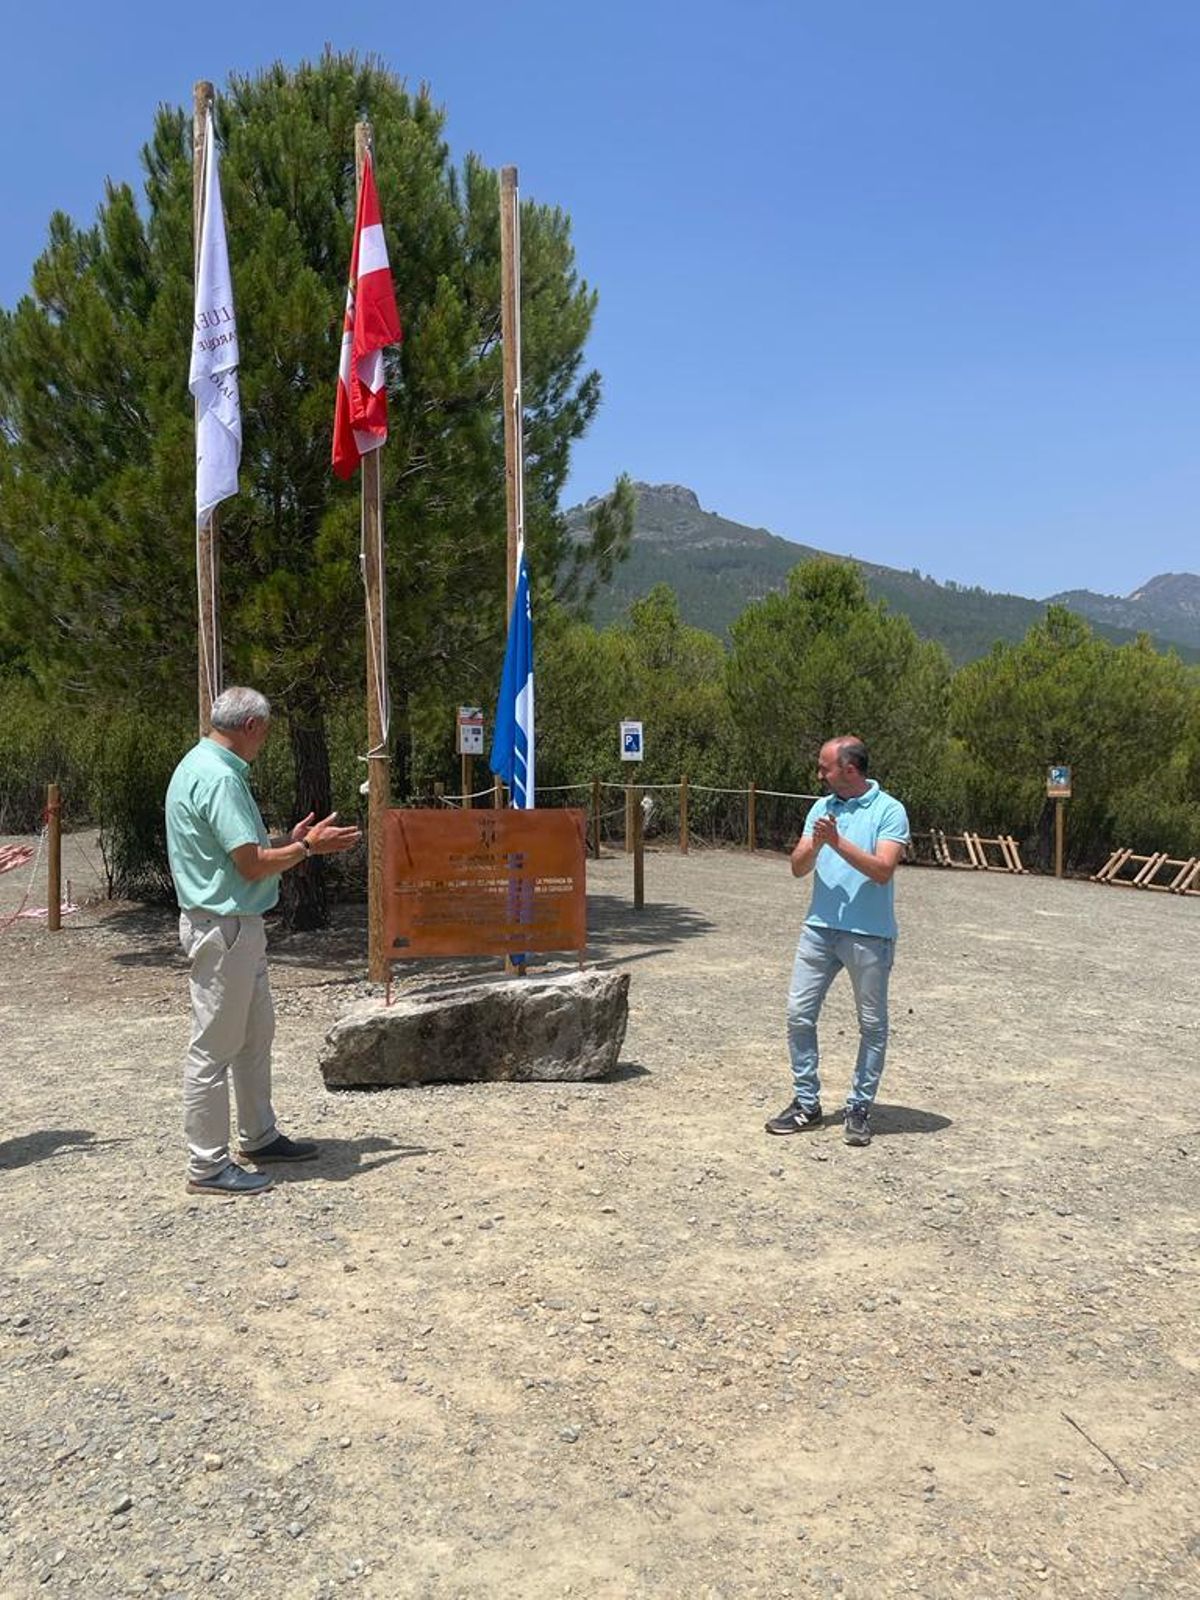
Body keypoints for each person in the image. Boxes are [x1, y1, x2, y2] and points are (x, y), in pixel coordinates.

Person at [165, 687, 361, 1196]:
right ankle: (207, 1166)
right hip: (225, 927)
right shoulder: (221, 777)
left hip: (232, 926)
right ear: (252, 726)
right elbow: (249, 865)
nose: (265, 741)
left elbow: (239, 854)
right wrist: (306, 848)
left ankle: (259, 1134)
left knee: (253, 1038)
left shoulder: (200, 766)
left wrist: (289, 844)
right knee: (214, 1048)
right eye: (266, 732)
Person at [766, 736, 909, 1148]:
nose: (819, 774)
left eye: (824, 767)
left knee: (872, 1025)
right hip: (819, 929)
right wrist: (816, 843)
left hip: (870, 936)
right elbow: (797, 867)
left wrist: (838, 842)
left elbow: (882, 870)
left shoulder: (890, 811)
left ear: (849, 769)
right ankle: (806, 1104)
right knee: (798, 1014)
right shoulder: (820, 807)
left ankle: (859, 1107)